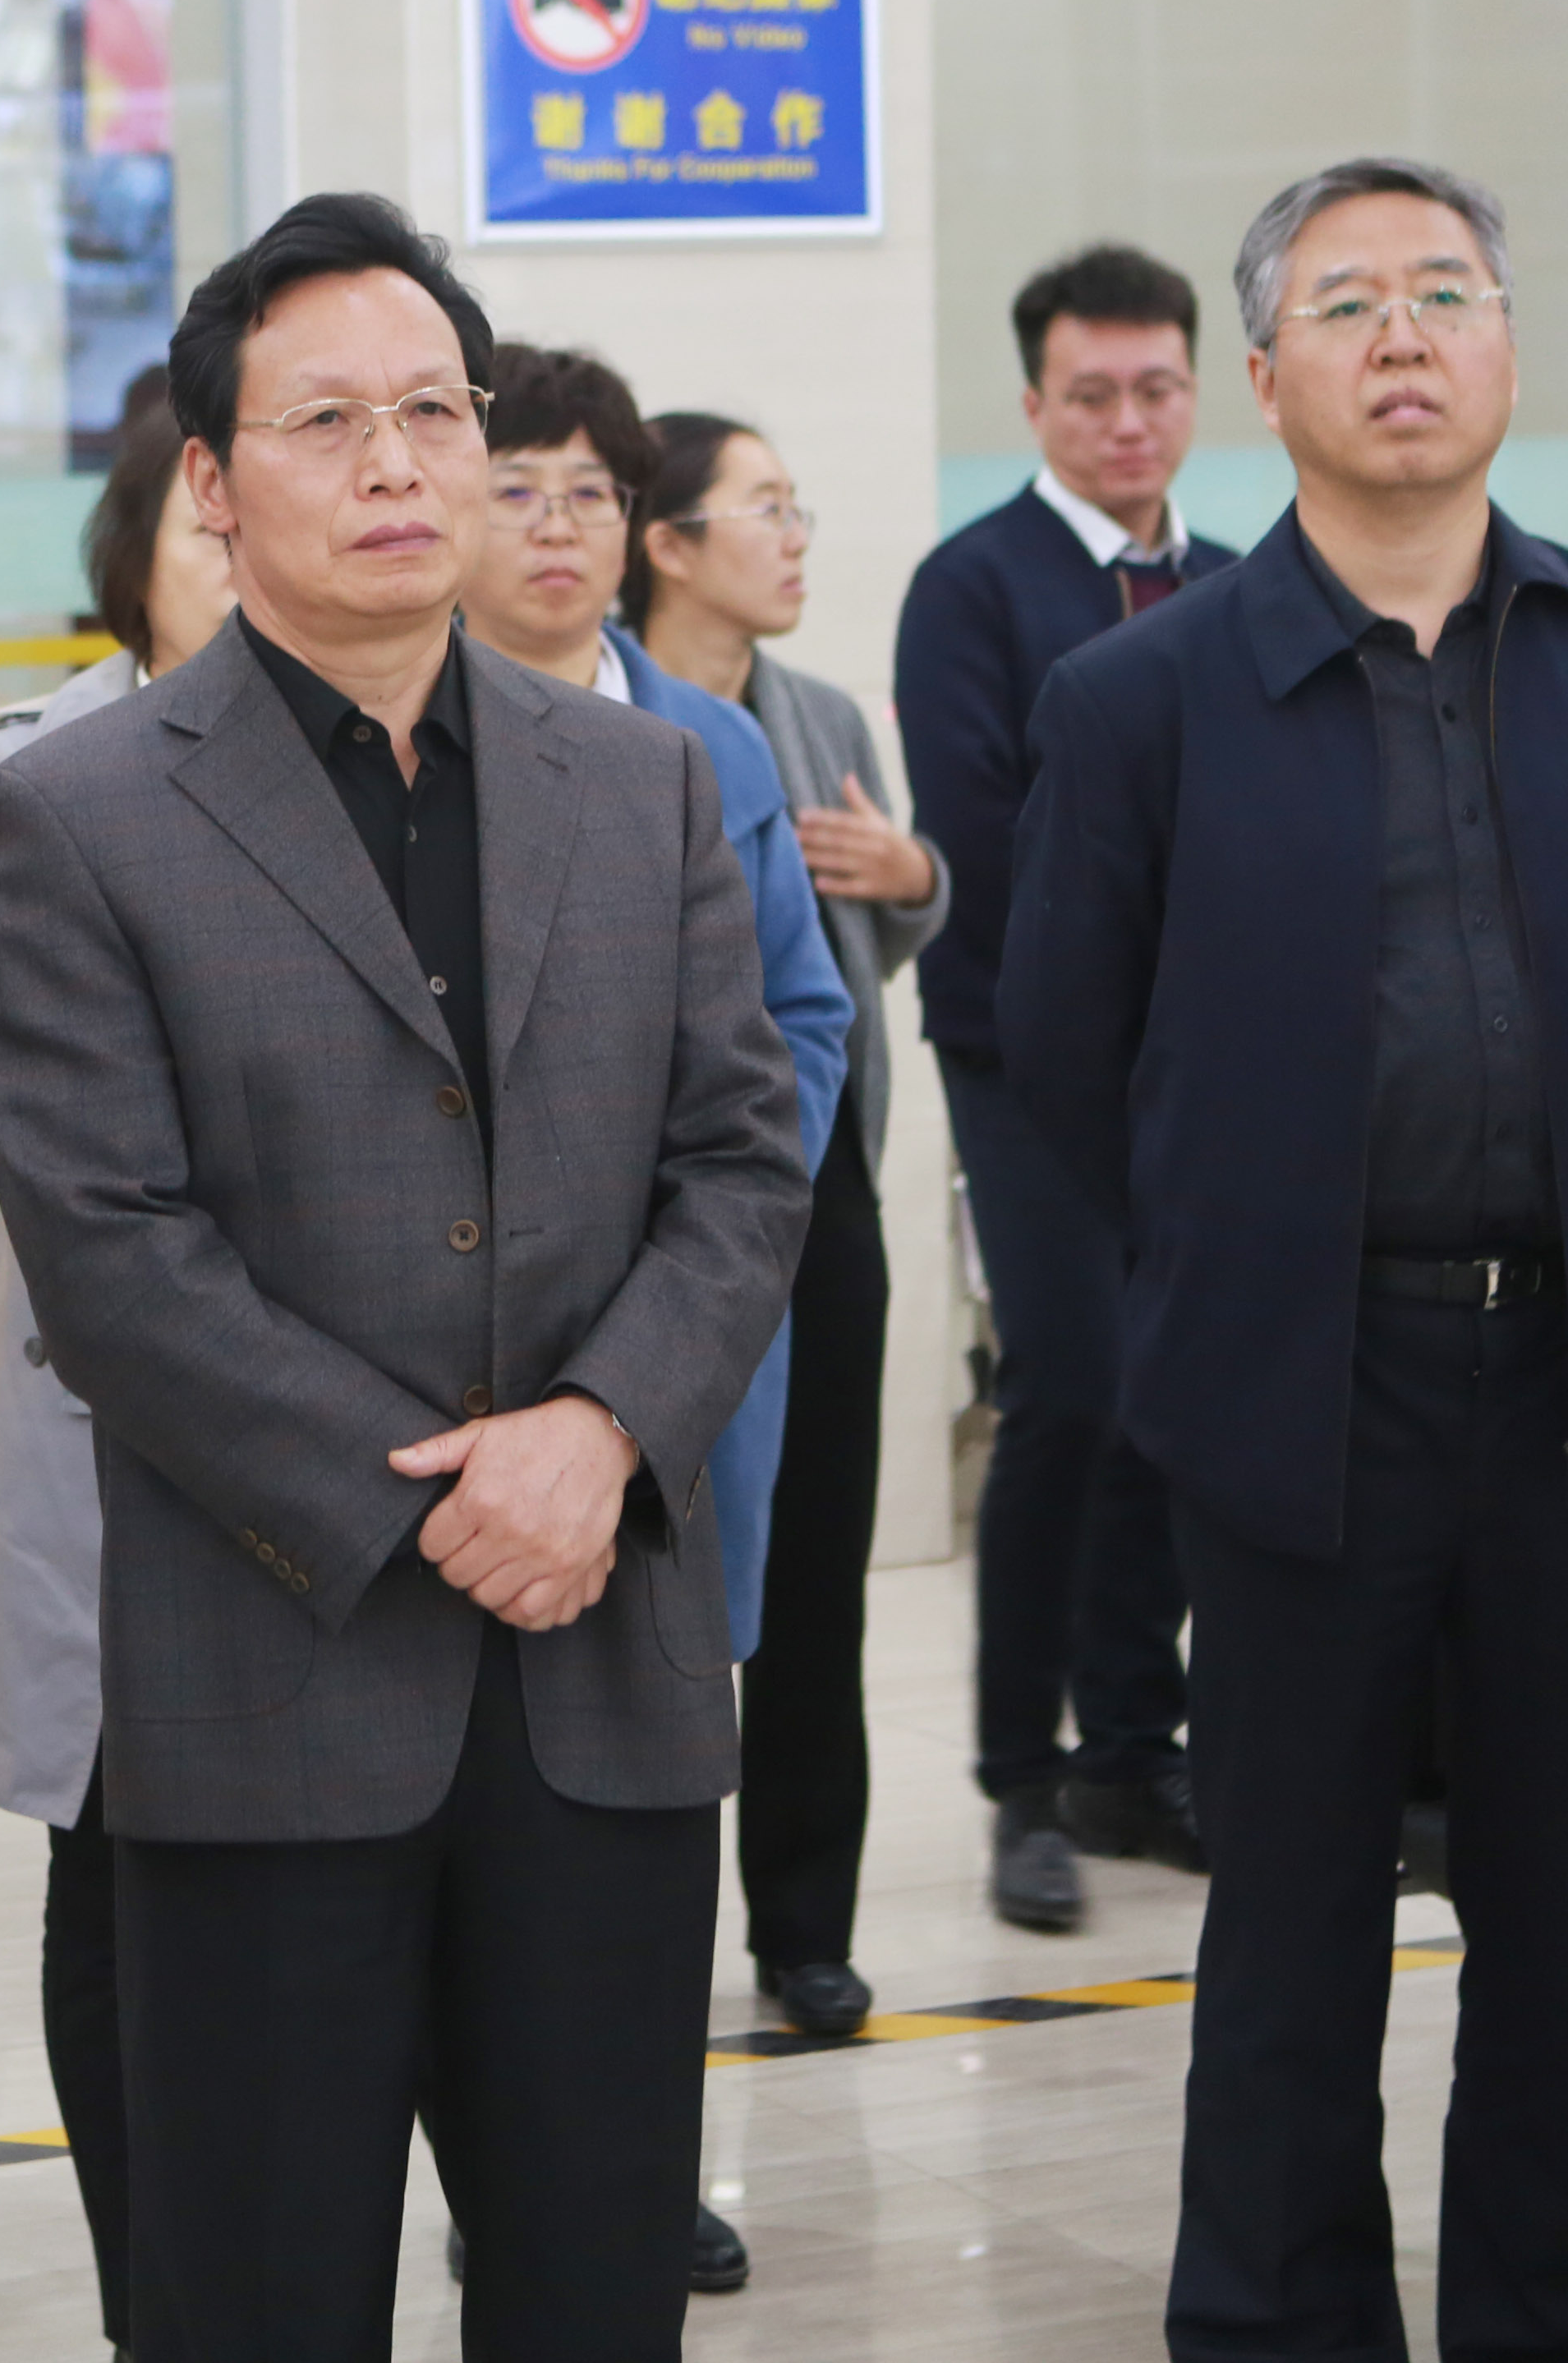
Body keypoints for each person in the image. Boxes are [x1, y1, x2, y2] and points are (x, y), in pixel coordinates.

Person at [0, 193, 804, 2363]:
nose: (400, 461)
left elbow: (740, 1159)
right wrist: (440, 1495)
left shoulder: (643, 785)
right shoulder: (77, 815)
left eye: (436, 410)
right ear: (214, 485)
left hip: (601, 1676)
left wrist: (599, 1436)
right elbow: (113, 1256)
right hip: (268, 1684)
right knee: (258, 2300)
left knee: (595, 2293)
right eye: (328, 421)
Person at [1000, 157, 1568, 2361]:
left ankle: (1541, 2312)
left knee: (1564, 1904)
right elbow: (1064, 1055)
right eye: (1345, 303)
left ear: (1506, 346)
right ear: (1263, 376)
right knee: (1296, 1914)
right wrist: (1223, 1281)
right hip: (1297, 1393)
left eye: (1443, 291)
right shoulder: (1145, 699)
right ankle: (1275, 2320)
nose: (1401, 334)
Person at [458, 338, 848, 2306]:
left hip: (676, 1350)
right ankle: (490, 2163)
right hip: (459, 1369)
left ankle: (631, 2159)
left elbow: (802, 1025)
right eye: (514, 486)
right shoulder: (406, 738)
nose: (555, 526)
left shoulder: (710, 751)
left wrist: (688, 1258)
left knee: (651, 1762)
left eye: (589, 493)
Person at [0, 373, 235, 2354]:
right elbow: (51, 1139)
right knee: (116, 1867)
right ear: (136, 548)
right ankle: (150, 2305)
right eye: (206, 522)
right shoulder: (32, 771)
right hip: (118, 1420)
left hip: (375, 1453)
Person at [892, 241, 1237, 1933]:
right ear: (1035, 405)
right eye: (1091, 395)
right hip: (1029, 1056)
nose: (1127, 422)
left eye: (1155, 389)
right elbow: (991, 830)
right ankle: (1023, 1777)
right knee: (1073, 1386)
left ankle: (1133, 1750)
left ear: (1200, 394)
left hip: (1213, 1066)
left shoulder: (1241, 581)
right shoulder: (973, 587)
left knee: (1181, 1395)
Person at [632, 406, 947, 2040]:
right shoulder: (604, 713)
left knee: (822, 1561)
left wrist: (912, 878)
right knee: (670, 1566)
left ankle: (808, 1920)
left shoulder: (816, 714)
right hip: (665, 1204)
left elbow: (848, 968)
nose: (795, 537)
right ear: (669, 544)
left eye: (799, 507)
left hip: (821, 1186)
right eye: (763, 508)